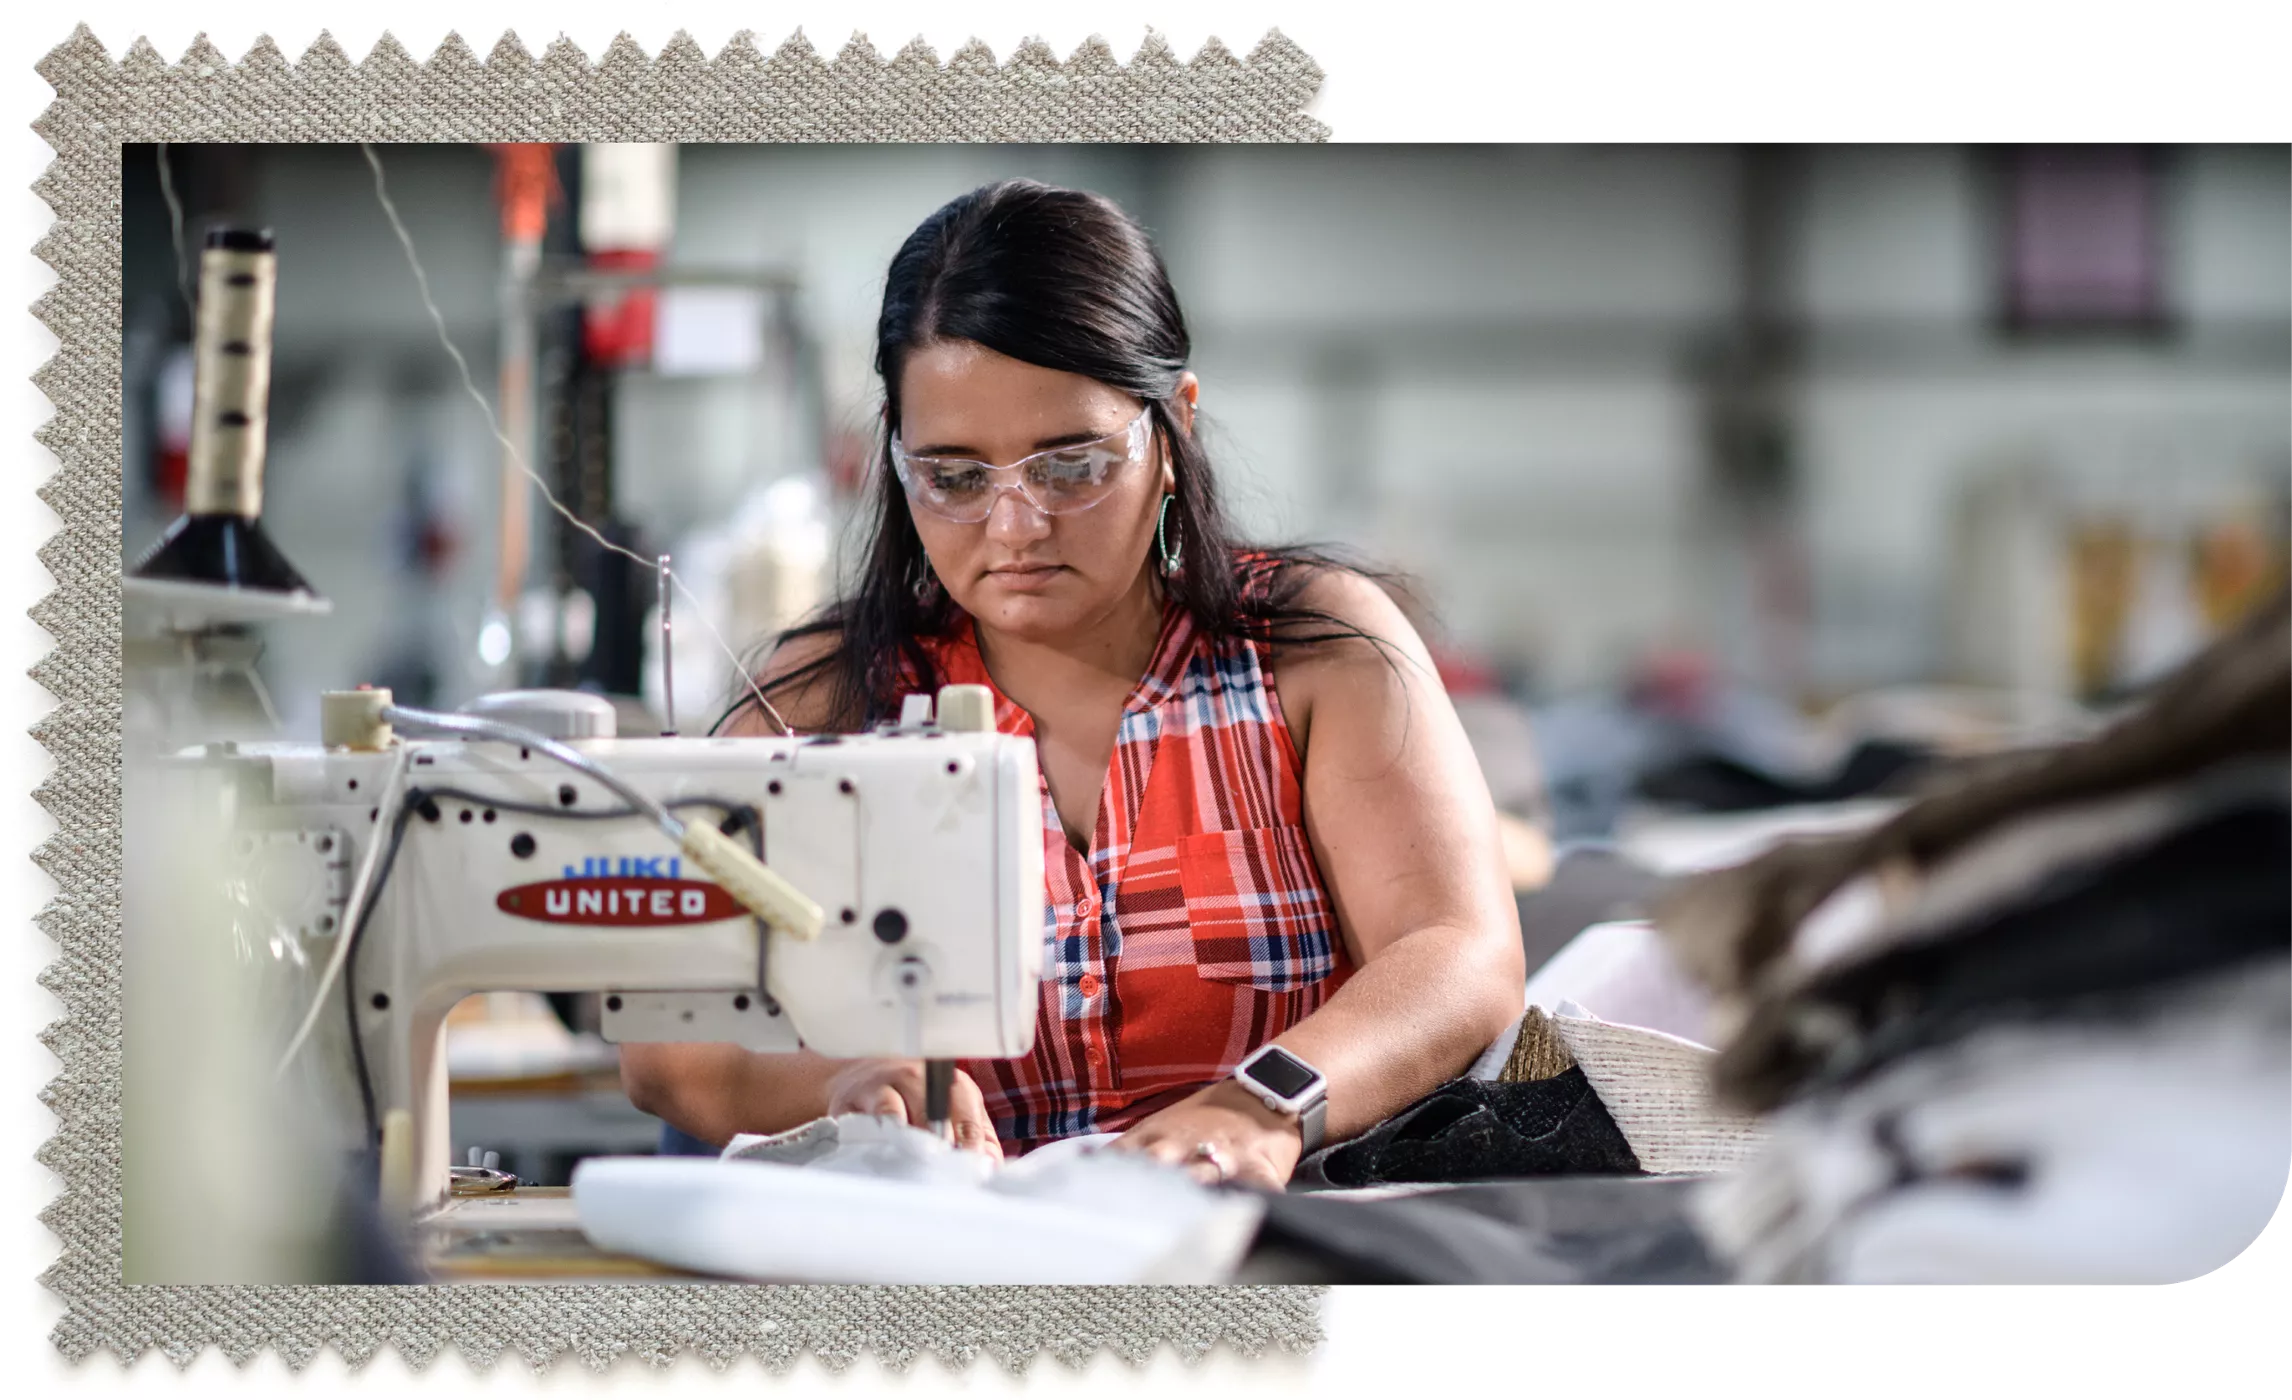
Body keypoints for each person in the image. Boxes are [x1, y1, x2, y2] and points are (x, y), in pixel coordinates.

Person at [621, 179, 1525, 1188]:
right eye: (955, 477)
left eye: (1070, 465)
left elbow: (1456, 951)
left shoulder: (1312, 654)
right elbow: (675, 1052)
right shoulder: (822, 703)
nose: (1016, 525)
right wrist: (843, 1082)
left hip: (1270, 1253)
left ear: (1173, 425)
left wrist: (1262, 1102)